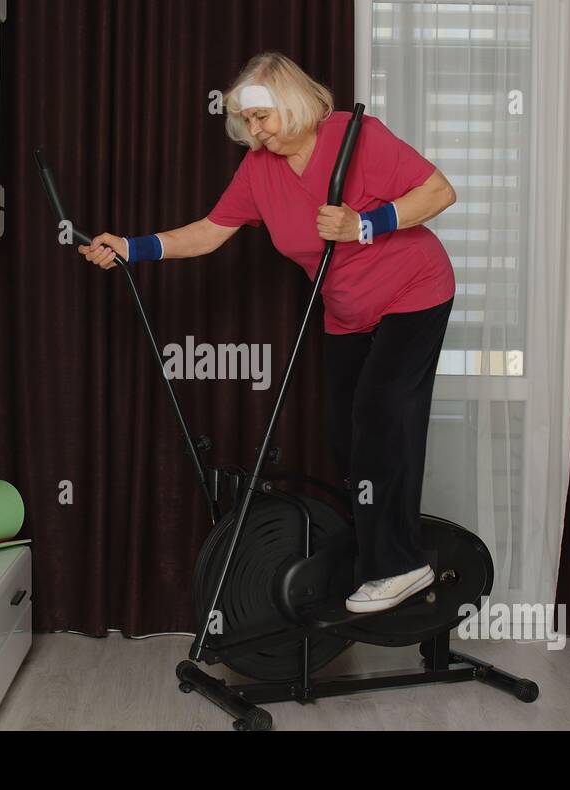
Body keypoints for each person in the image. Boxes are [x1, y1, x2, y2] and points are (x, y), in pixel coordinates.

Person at [78, 52, 457, 614]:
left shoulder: (358, 138)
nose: (253, 132)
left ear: (292, 102)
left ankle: (399, 564)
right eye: (246, 121)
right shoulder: (259, 168)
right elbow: (210, 231)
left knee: (381, 415)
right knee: (343, 434)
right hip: (347, 311)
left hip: (414, 292)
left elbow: (439, 193)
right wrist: (132, 247)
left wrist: (364, 224)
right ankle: (372, 552)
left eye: (262, 117)